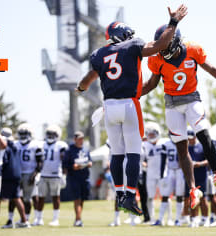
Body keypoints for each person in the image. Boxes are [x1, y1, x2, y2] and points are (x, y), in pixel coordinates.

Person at [76, 4, 188, 216]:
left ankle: (119, 195)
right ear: (122, 34)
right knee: (134, 152)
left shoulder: (99, 54)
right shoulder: (133, 45)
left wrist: (80, 88)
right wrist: (173, 22)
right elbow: (161, 44)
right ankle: (129, 195)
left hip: (108, 107)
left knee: (116, 153)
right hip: (129, 104)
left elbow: (87, 79)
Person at [141, 21, 216, 209]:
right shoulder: (156, 59)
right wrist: (132, 95)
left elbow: (211, 68)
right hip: (171, 103)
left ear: (175, 41)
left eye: (165, 44)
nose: (162, 48)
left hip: (191, 99)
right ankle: (191, 188)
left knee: (203, 134)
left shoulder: (193, 50)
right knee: (182, 148)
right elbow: (151, 84)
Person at [35, 124, 68, 226]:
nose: (50, 136)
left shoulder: (61, 145)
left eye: (52, 134)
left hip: (55, 175)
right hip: (43, 174)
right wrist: (37, 173)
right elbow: (37, 160)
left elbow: (64, 159)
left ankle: (55, 219)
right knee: (41, 197)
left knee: (55, 197)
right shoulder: (41, 144)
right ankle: (39, 219)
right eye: (48, 134)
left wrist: (64, 175)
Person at [13, 123, 43, 226]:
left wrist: (34, 174)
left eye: (25, 134)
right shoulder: (15, 144)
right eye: (21, 134)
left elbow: (40, 162)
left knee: (28, 198)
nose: (23, 136)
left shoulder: (35, 145)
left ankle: (27, 219)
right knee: (17, 197)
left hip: (29, 173)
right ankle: (23, 218)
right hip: (18, 174)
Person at [0, 128, 30, 228]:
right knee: (15, 198)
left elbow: (4, 161)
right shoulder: (15, 145)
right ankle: (22, 221)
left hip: (8, 174)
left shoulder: (6, 146)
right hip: (17, 173)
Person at [63, 131, 93, 227]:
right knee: (77, 199)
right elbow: (65, 165)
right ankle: (78, 219)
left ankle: (78, 219)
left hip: (85, 177)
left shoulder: (86, 149)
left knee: (82, 199)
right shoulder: (69, 150)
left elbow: (90, 160)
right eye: (79, 138)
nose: (81, 140)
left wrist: (89, 164)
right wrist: (73, 167)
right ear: (75, 139)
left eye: (82, 138)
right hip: (74, 178)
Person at [143, 122, 166, 223]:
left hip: (163, 174)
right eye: (149, 134)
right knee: (150, 197)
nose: (151, 136)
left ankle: (167, 218)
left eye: (153, 134)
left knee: (165, 196)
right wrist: (144, 164)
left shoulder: (164, 144)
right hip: (150, 174)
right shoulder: (144, 145)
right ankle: (152, 218)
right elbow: (141, 159)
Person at [187, 129, 209, 227]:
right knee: (192, 197)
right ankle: (194, 219)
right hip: (190, 176)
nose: (189, 140)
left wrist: (199, 164)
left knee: (203, 198)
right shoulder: (186, 147)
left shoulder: (202, 146)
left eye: (191, 138)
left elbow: (209, 160)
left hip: (201, 175)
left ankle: (205, 219)